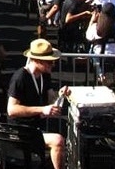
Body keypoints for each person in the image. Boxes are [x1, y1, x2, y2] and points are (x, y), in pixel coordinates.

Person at [7, 39, 70, 169]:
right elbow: (11, 109)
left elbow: (51, 98)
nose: (53, 65)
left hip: (34, 129)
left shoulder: (44, 75)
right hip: (20, 130)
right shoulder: (20, 77)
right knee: (57, 140)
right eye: (49, 62)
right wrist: (42, 110)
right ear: (38, 60)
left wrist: (61, 95)